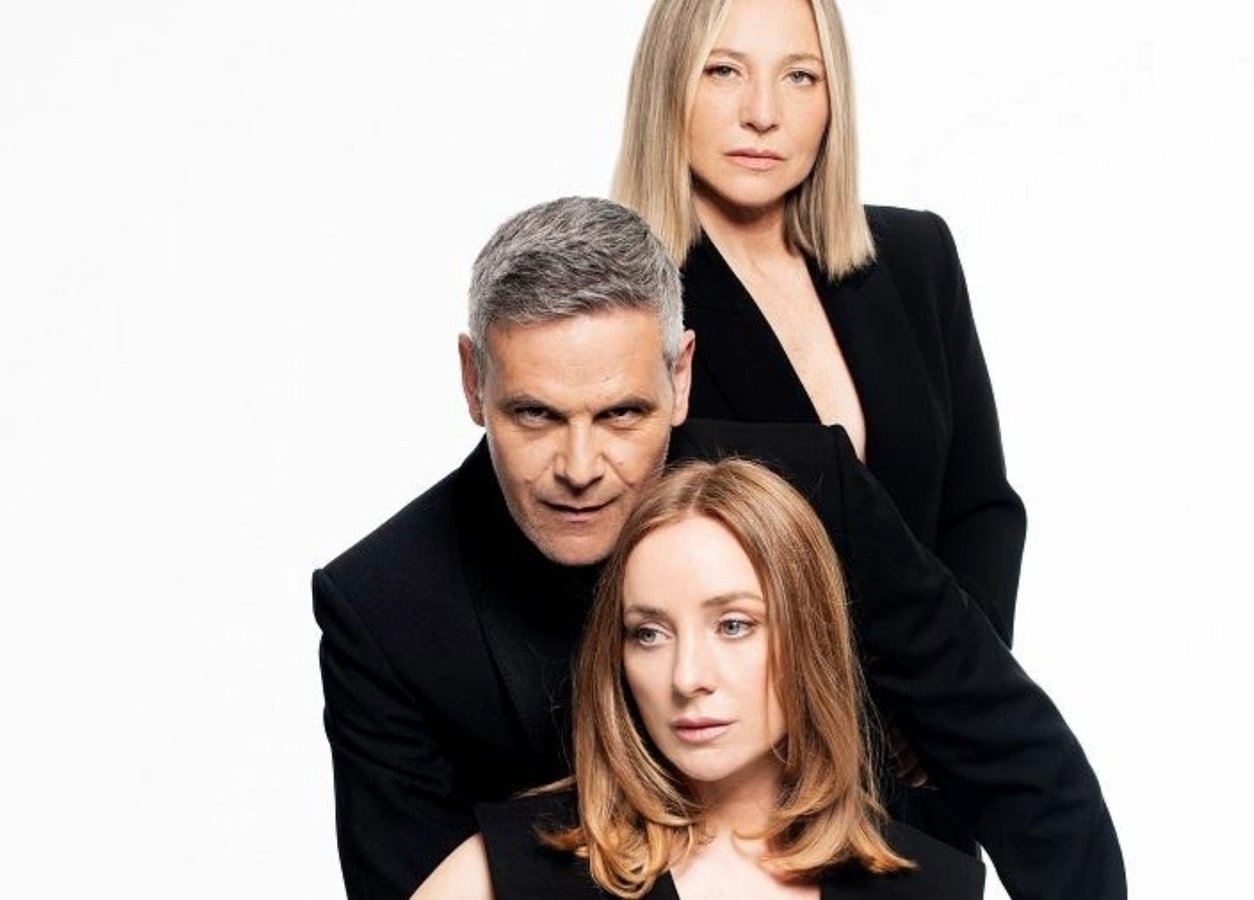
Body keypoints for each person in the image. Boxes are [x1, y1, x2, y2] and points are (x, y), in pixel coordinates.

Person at [314, 196, 1122, 900]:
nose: (580, 468)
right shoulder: (384, 608)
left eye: (622, 414)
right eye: (535, 415)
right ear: (472, 381)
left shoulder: (808, 488)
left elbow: (1013, 756)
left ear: (681, 376)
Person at [613, 0, 1025, 647]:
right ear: (668, 81)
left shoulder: (916, 256)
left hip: (943, 689)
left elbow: (980, 507)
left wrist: (968, 678)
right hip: (744, 700)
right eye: (724, 71)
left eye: (800, 76)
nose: (763, 113)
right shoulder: (619, 299)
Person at [413, 459, 986, 899]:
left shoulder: (935, 887)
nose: (687, 678)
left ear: (809, 636)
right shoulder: (504, 874)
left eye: (734, 625)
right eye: (648, 633)